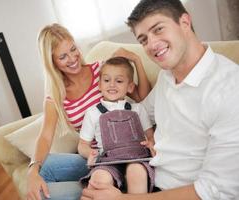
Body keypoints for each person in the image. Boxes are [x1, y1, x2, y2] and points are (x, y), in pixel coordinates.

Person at [81, 0, 239, 200]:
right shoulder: (167, 76)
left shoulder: (230, 88)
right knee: (54, 175)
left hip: (167, 192)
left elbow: (214, 191)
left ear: (185, 22)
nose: (152, 45)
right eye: (143, 39)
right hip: (144, 176)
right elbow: (139, 113)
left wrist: (121, 199)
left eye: (158, 29)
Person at [26, 23, 152, 200]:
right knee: (40, 175)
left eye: (73, 49)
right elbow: (46, 136)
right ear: (52, 62)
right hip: (94, 158)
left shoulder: (102, 72)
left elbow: (142, 97)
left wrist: (137, 60)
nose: (73, 58)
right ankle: (98, 187)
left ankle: (102, 190)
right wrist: (33, 169)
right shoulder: (56, 94)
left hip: (124, 153)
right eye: (63, 56)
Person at [78, 57, 156, 194]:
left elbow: (151, 136)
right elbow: (82, 144)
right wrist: (90, 153)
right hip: (108, 161)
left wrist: (151, 144)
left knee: (136, 172)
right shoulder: (92, 113)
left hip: (138, 158)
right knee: (98, 179)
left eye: (119, 81)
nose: (112, 85)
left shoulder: (138, 109)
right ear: (99, 85)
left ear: (130, 87)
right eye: (106, 80)